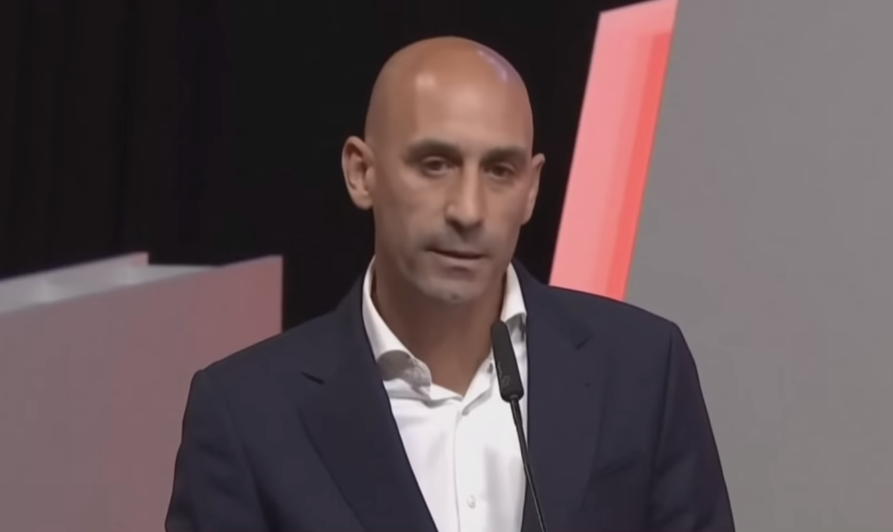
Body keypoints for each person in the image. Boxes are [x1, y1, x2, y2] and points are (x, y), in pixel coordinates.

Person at [165, 36, 734, 532]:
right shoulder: (246, 413)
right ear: (362, 172)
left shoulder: (643, 369)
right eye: (435, 164)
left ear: (532, 189)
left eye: (500, 171)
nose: (468, 210)